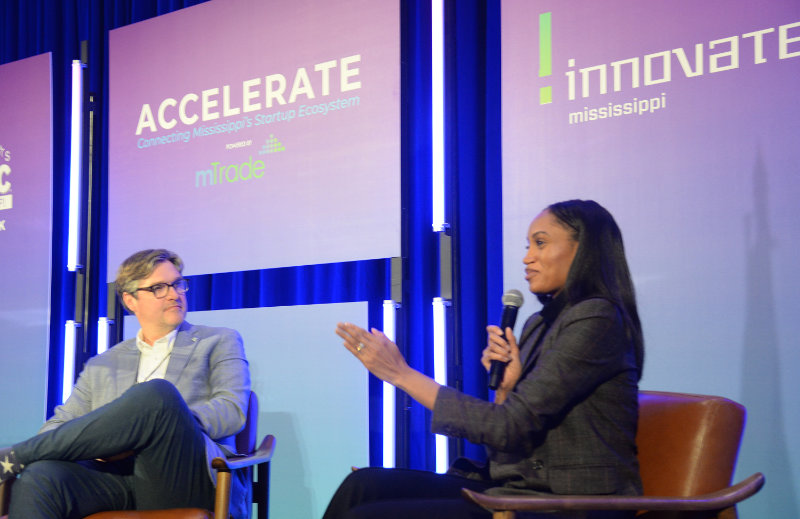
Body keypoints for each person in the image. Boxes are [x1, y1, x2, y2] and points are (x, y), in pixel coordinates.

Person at [325, 200, 645, 519]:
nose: (527, 257)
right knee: (363, 485)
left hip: (572, 503)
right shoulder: (539, 323)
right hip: (518, 489)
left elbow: (509, 426)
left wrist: (401, 373)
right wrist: (506, 390)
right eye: (528, 245)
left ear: (583, 249)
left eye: (541, 243)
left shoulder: (597, 318)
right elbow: (510, 434)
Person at [0, 249, 251, 519]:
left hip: (184, 473)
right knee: (40, 476)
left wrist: (160, 421)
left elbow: (232, 410)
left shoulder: (219, 341)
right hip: (117, 481)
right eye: (159, 288)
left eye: (178, 284)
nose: (174, 294)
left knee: (158, 395)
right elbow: (57, 426)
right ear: (131, 300)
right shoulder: (102, 364)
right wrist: (103, 442)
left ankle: (14, 455)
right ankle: (17, 459)